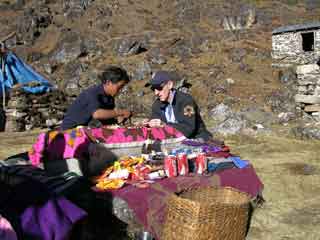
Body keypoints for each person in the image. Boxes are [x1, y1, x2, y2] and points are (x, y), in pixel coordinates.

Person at [144, 70, 213, 141]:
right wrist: (148, 124)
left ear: (170, 85)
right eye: (153, 89)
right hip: (174, 142)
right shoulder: (156, 105)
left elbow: (188, 130)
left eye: (159, 88)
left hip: (198, 139)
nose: (156, 93)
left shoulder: (186, 101)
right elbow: (155, 131)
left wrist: (164, 125)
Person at [61, 66, 132, 130]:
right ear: (108, 82)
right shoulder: (92, 94)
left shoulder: (109, 98)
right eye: (119, 87)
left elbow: (106, 118)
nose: (121, 90)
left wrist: (120, 120)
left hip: (86, 128)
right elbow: (97, 114)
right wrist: (120, 112)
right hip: (70, 132)